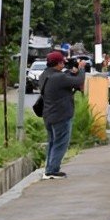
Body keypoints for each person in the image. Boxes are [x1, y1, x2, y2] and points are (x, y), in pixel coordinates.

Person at [37, 51, 89, 180]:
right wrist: (81, 69)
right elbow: (78, 81)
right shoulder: (59, 77)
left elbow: (65, 78)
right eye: (62, 62)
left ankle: (49, 169)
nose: (63, 65)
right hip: (61, 115)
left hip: (48, 114)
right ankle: (53, 170)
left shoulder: (45, 75)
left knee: (52, 142)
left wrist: (72, 72)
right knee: (61, 143)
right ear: (58, 63)